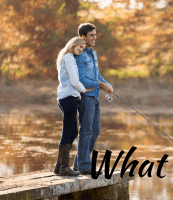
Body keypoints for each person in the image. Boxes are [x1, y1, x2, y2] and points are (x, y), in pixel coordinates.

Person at [72, 23, 113, 175]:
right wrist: (100, 84)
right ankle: (84, 166)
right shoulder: (80, 54)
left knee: (95, 130)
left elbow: (96, 76)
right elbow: (82, 79)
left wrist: (106, 84)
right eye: (91, 35)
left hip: (94, 96)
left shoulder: (92, 53)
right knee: (86, 131)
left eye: (95, 34)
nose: (94, 37)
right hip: (85, 97)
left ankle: (78, 163)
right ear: (82, 37)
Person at [54, 36, 94, 176]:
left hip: (67, 97)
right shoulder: (69, 58)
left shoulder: (66, 57)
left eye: (83, 48)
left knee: (73, 132)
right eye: (80, 47)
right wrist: (84, 90)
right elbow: (74, 80)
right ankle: (64, 168)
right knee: (68, 132)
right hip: (68, 97)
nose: (81, 50)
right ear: (73, 44)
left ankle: (59, 166)